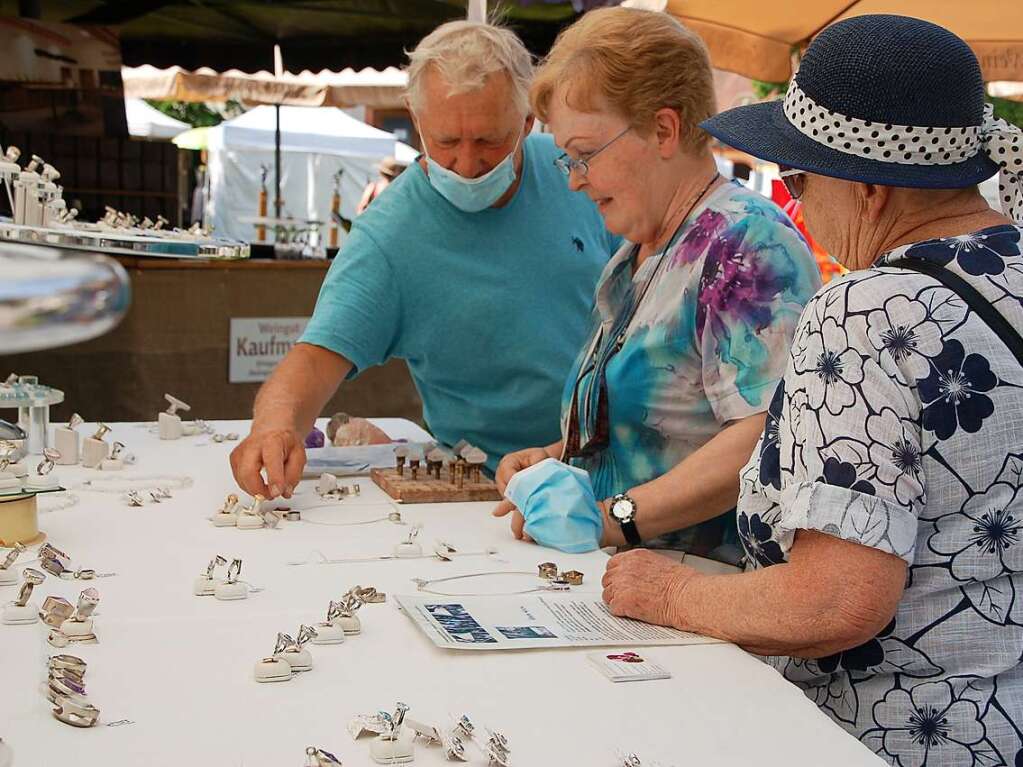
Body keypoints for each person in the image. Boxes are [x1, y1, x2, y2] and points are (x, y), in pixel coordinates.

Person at [602, 15, 1023, 765]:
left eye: (796, 176)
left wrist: (671, 594)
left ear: (864, 186)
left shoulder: (867, 309)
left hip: (899, 740)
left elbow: (835, 600)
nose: (794, 200)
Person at [230, 20, 618, 499]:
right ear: (416, 120)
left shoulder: (577, 175)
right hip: (494, 487)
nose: (468, 164)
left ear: (527, 123)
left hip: (622, 461)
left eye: (490, 141)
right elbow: (315, 358)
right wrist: (274, 427)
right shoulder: (388, 237)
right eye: (447, 142)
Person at [493, 8, 820, 561]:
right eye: (566, 161)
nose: (574, 180)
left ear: (664, 129)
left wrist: (613, 519)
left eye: (585, 154)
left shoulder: (744, 242)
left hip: (706, 597)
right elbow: (664, 427)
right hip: (632, 585)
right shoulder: (638, 253)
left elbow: (765, 434)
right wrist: (560, 459)